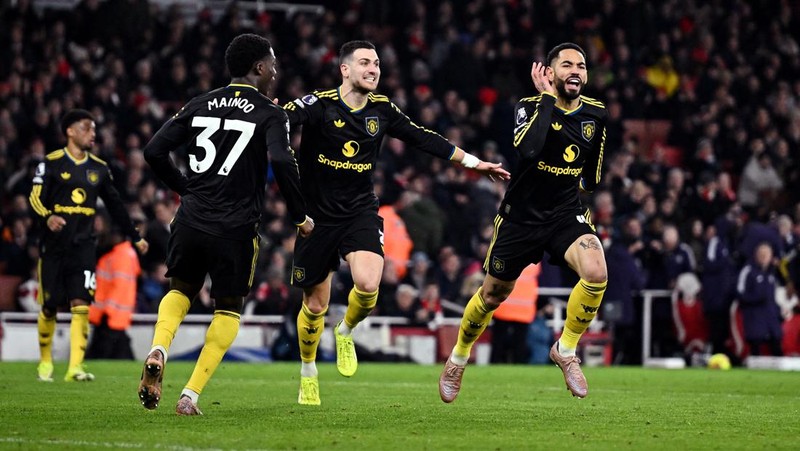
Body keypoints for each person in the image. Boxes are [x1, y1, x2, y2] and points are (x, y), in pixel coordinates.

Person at [283, 40, 509, 405]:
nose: (374, 69)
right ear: (344, 69)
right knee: (314, 306)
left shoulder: (382, 109)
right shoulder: (319, 104)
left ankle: (345, 330)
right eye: (365, 63)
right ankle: (308, 370)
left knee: (369, 286)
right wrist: (273, 115)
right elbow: (283, 120)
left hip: (359, 212)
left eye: (377, 64)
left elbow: (423, 138)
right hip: (316, 217)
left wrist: (473, 163)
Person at [138, 34, 314, 416]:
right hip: (235, 228)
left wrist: (184, 188)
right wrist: (300, 215)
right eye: (273, 65)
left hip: (190, 218)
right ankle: (190, 395)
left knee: (181, 290)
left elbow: (153, 150)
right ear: (259, 68)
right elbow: (283, 163)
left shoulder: (199, 103)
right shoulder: (270, 112)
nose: (276, 72)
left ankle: (159, 348)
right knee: (228, 310)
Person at [439, 42, 608, 402]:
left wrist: (573, 191)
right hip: (521, 218)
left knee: (596, 272)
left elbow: (591, 178)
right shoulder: (529, 107)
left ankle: (566, 349)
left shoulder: (596, 115)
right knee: (491, 295)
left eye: (580, 65)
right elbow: (529, 149)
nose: (575, 70)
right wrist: (547, 100)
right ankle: (458, 357)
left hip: (564, 214)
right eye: (566, 65)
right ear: (550, 73)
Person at [28, 109, 149, 382]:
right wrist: (48, 217)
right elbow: (35, 199)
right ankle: (45, 363)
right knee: (49, 306)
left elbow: (116, 206)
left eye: (94, 129)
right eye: (86, 128)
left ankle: (75, 368)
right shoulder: (51, 164)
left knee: (81, 304)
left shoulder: (99, 168)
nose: (92, 133)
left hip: (84, 247)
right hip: (53, 247)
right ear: (70, 131)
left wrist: (135, 236)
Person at [86, 213, 141, 360]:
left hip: (110, 313)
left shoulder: (121, 255)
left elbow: (120, 286)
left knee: (101, 352)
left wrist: (108, 310)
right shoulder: (119, 254)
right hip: (111, 313)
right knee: (119, 350)